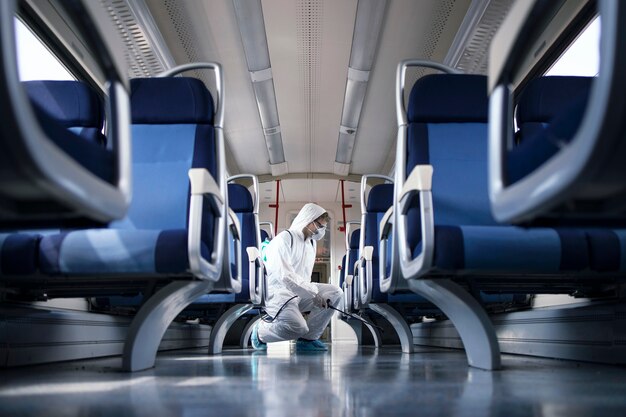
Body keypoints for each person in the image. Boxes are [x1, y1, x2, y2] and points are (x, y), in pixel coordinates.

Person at [252, 203, 343, 352]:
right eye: (320, 226)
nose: (322, 231)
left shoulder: (310, 244)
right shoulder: (284, 239)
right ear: (309, 221)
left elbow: (302, 278)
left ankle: (308, 339)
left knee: (335, 293)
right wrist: (313, 293)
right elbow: (286, 276)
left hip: (299, 293)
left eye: (324, 227)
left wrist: (312, 293)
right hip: (279, 294)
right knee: (298, 327)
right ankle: (260, 332)